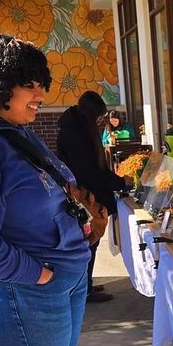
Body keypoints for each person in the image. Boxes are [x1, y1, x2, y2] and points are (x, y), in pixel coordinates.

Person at [0, 35, 91, 346]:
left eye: (40, 82)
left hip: (63, 282)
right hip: (28, 294)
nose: (40, 93)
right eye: (29, 83)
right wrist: (38, 276)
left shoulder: (18, 132)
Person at [57, 91, 132, 302]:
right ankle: (84, 290)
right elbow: (90, 172)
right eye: (99, 117)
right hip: (84, 196)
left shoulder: (76, 126)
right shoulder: (75, 132)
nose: (100, 121)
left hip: (87, 192)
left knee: (91, 243)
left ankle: (86, 285)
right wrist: (120, 182)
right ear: (91, 114)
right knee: (88, 242)